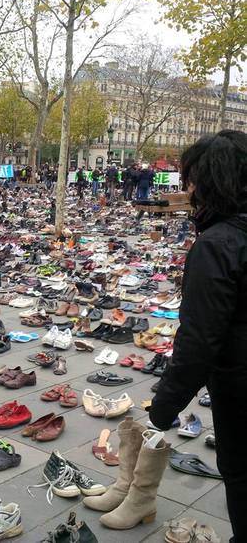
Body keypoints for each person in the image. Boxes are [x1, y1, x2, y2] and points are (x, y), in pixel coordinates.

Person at [149, 130, 247, 543]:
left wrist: (165, 405)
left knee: (242, 475)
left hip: (241, 388)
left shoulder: (218, 245)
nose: (186, 189)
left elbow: (200, 339)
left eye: (191, 179)